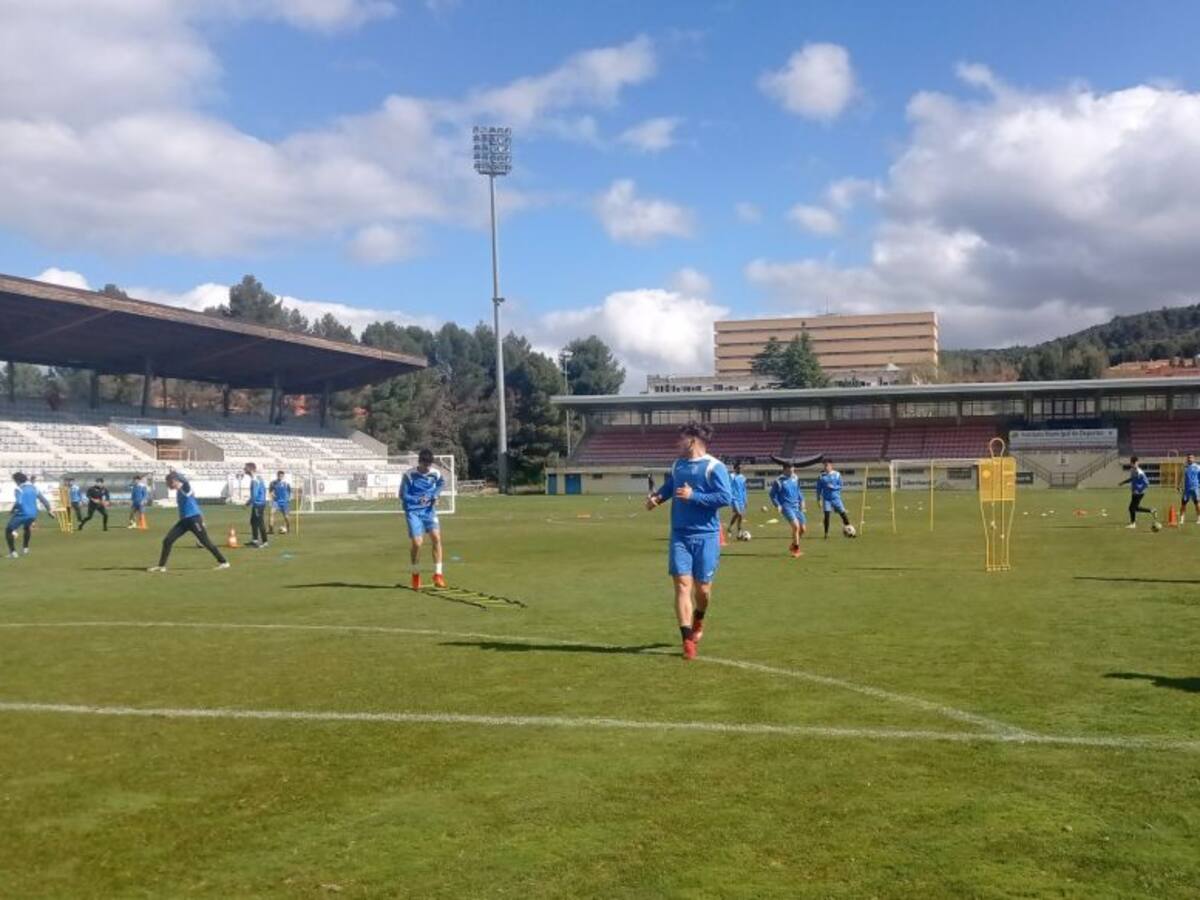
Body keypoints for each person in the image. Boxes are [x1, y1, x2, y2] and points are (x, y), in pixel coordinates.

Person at [646, 421, 732, 661]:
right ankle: (687, 640)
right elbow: (671, 486)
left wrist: (694, 496)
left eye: (681, 438)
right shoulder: (678, 465)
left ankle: (699, 617)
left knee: (702, 590)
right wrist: (657, 498)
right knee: (682, 586)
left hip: (706, 536)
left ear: (693, 440)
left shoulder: (714, 467)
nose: (677, 443)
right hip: (680, 534)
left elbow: (725, 497)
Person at [148, 471, 229, 572]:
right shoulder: (178, 491)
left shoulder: (186, 487)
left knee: (206, 542)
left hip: (194, 519)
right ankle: (161, 566)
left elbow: (185, 482)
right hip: (184, 521)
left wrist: (176, 475)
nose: (168, 485)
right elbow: (193, 504)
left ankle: (224, 562)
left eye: (169, 483)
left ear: (175, 481)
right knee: (167, 541)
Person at [401, 449, 447, 589]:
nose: (427, 468)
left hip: (429, 511)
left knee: (436, 538)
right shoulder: (409, 475)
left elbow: (441, 483)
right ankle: (415, 574)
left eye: (429, 465)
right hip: (413, 511)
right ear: (419, 462)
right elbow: (403, 495)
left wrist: (435, 495)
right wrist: (418, 500)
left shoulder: (435, 473)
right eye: (424, 465)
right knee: (417, 543)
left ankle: (438, 575)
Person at [6, 472, 53, 558]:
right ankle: (25, 548)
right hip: (33, 514)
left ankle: (13, 552)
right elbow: (44, 500)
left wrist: (12, 510)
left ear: (18, 480)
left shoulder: (18, 489)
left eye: (15, 481)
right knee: (27, 528)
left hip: (23, 513)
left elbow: (19, 502)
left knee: (8, 530)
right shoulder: (34, 488)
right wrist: (49, 510)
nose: (15, 483)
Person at [769, 459, 806, 558]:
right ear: (785, 469)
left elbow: (798, 491)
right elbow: (772, 495)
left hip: (796, 506)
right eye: (790, 468)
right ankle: (796, 550)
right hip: (786, 507)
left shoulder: (795, 478)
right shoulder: (778, 481)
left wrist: (802, 501)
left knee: (803, 529)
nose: (792, 469)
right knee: (796, 527)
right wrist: (777, 505)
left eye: (793, 467)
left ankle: (793, 545)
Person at [816, 459, 853, 538]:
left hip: (836, 498)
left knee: (843, 514)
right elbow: (818, 489)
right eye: (824, 465)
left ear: (831, 466)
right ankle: (826, 534)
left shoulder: (837, 474)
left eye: (827, 465)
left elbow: (840, 485)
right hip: (826, 499)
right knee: (827, 515)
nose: (825, 467)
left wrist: (833, 487)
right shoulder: (821, 476)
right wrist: (818, 499)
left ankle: (850, 531)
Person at [1119, 456, 1156, 529]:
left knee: (1131, 508)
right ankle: (1152, 510)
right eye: (1133, 463)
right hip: (1134, 492)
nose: (1134, 464)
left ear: (1137, 463)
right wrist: (1123, 482)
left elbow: (1147, 483)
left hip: (1139, 493)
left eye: (1135, 463)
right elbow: (1132, 479)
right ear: (1131, 463)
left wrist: (1139, 489)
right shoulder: (1133, 470)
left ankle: (1133, 524)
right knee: (1136, 508)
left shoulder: (1139, 472)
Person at [244, 462, 268, 547]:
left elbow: (254, 495)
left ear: (250, 469)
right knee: (253, 521)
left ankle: (265, 542)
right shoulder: (258, 478)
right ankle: (254, 540)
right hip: (259, 503)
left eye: (246, 468)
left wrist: (248, 503)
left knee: (260, 522)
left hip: (258, 504)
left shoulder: (255, 480)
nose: (244, 469)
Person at [727, 461, 748, 538]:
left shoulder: (743, 477)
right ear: (735, 468)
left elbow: (744, 489)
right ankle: (737, 529)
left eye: (741, 468)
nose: (740, 469)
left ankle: (733, 529)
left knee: (739, 515)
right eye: (738, 468)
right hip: (734, 498)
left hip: (741, 499)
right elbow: (728, 486)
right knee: (739, 513)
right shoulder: (731, 476)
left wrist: (745, 499)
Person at [268, 470, 292, 535]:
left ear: (283, 476)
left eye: (281, 476)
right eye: (279, 475)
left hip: (284, 502)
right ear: (277, 475)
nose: (280, 477)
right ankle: (271, 530)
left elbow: (289, 491)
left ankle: (288, 529)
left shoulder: (286, 483)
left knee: (286, 517)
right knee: (271, 513)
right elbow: (270, 491)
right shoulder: (273, 483)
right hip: (276, 501)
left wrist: (289, 498)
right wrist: (272, 495)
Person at [1181, 453, 1200, 524]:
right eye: (1188, 458)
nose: (1190, 459)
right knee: (1183, 504)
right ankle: (1182, 519)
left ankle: (1199, 518)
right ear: (1187, 459)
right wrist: (1179, 485)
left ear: (1194, 459)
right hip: (1187, 489)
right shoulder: (1185, 467)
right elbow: (1182, 477)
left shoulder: (1198, 467)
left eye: (1191, 458)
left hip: (1195, 488)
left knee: (1197, 503)